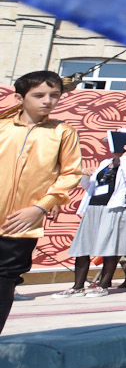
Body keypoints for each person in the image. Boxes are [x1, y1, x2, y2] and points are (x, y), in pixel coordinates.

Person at [0, 71, 84, 330]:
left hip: (21, 223)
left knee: (5, 280)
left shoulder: (62, 133)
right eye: (39, 95)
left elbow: (71, 173)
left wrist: (41, 207)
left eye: (54, 95)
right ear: (19, 98)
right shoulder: (3, 128)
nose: (47, 101)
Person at [59, 131, 126, 298]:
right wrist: (85, 174)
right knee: (83, 247)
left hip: (114, 208)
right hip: (94, 207)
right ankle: (78, 286)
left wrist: (125, 157)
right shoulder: (105, 162)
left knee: (110, 247)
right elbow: (90, 186)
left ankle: (103, 285)